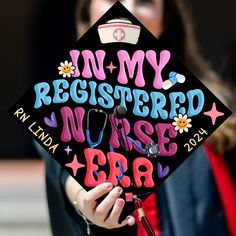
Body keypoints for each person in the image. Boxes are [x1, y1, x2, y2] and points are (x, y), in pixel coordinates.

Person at [32, 0, 236, 235]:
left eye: (145, 1)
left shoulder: (206, 105)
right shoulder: (60, 104)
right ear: (87, 13)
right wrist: (85, 200)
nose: (127, 12)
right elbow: (64, 169)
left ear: (166, 19)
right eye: (111, 0)